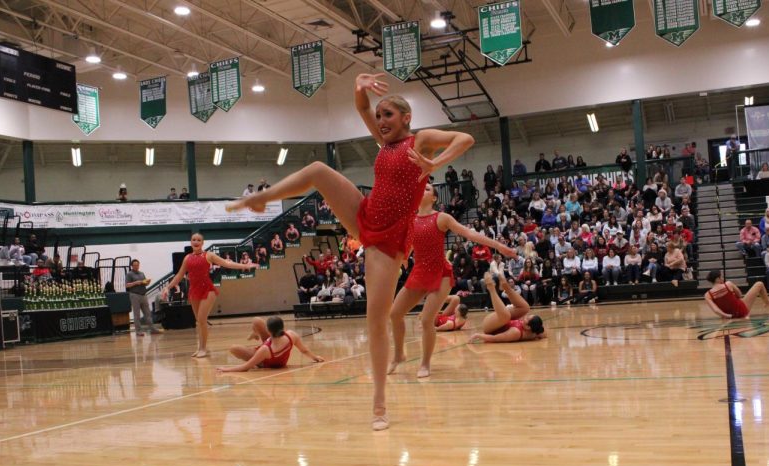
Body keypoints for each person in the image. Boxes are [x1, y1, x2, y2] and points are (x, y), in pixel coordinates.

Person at [226, 73, 475, 430]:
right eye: (379, 117)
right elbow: (360, 105)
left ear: (406, 117)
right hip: (366, 213)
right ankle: (263, 197)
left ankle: (379, 402)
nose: (381, 121)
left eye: (388, 115)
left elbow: (464, 138)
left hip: (390, 239)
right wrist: (359, 88)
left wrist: (435, 163)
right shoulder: (384, 144)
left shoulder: (420, 141)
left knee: (376, 319)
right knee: (317, 171)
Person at [389, 182, 515, 378]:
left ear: (434, 198)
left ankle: (425, 364)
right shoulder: (410, 220)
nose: (423, 189)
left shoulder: (441, 218)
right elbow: (409, 247)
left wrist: (498, 246)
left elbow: (470, 234)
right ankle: (398, 354)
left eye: (428, 188)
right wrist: (403, 259)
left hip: (441, 274)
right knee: (395, 313)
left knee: (427, 320)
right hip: (419, 272)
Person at [162, 232, 256, 358]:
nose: (196, 241)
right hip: (194, 290)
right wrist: (168, 287)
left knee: (201, 319)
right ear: (191, 242)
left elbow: (227, 264)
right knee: (199, 322)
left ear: (202, 242)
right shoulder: (187, 258)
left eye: (198, 240)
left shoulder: (209, 255)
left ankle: (203, 349)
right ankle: (200, 348)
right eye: (193, 239)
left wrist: (245, 265)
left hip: (208, 289)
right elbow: (179, 275)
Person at [218, 316, 324, 372]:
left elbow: (245, 367)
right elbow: (304, 350)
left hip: (263, 359)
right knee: (257, 321)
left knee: (233, 348)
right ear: (283, 327)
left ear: (268, 331)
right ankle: (255, 334)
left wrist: (226, 369)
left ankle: (257, 361)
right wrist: (315, 358)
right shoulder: (291, 335)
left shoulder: (265, 349)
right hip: (270, 347)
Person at [469, 273, 546, 343]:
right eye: (528, 316)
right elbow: (543, 333)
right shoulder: (536, 330)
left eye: (527, 319)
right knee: (525, 308)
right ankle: (506, 286)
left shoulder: (515, 333)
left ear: (528, 327)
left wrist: (478, 335)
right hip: (502, 320)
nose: (525, 317)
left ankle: (491, 289)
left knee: (506, 316)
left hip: (489, 326)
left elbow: (495, 338)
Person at [704, 270, 769, 319]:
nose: (723, 278)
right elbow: (739, 295)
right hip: (742, 311)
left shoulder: (708, 294)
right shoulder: (728, 284)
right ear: (718, 279)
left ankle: (767, 302)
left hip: (728, 315)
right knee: (759, 284)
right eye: (722, 277)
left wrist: (727, 316)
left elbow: (716, 310)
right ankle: (767, 302)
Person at [125, 259, 161, 336]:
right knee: (137, 314)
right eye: (134, 265)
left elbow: (144, 283)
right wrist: (135, 283)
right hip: (135, 295)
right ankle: (138, 331)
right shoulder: (129, 274)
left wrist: (147, 282)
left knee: (148, 313)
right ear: (132, 266)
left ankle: (152, 329)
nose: (136, 266)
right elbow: (127, 285)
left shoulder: (142, 273)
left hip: (143, 295)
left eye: (137, 265)